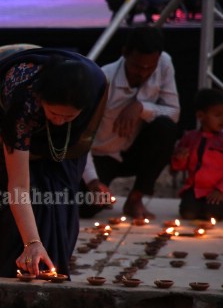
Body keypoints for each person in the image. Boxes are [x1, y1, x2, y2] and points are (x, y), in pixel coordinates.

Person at [0, 46, 107, 278]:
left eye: (69, 116)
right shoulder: (22, 102)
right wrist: (31, 242)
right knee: (6, 206)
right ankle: (7, 273)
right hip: (3, 124)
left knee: (60, 198)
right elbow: (18, 185)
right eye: (53, 113)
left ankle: (53, 268)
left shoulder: (96, 86)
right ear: (41, 100)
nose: (60, 122)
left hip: (53, 138)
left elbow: (75, 148)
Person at [80, 27, 180, 220]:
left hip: (135, 150)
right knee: (85, 207)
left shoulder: (164, 63)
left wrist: (141, 107)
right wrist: (92, 180)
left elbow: (174, 112)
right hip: (102, 154)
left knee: (165, 128)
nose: (143, 74)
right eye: (137, 67)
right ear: (125, 53)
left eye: (149, 68)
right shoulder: (103, 80)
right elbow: (81, 137)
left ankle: (136, 197)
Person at [171, 87, 223, 220]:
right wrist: (180, 157)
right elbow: (178, 167)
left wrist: (220, 190)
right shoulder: (190, 137)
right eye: (217, 115)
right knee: (188, 212)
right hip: (195, 189)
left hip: (217, 189)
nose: (222, 120)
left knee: (213, 213)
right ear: (201, 116)